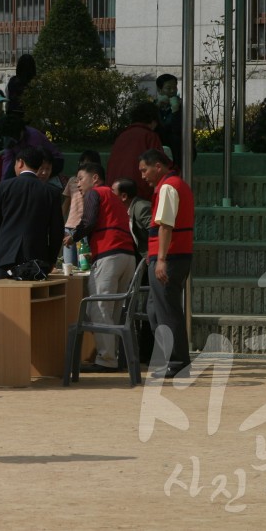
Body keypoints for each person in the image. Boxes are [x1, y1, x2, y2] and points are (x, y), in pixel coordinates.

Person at [64, 162, 137, 373]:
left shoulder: (95, 194)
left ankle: (106, 359)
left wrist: (72, 237)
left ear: (95, 178)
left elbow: (88, 221)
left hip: (110, 254)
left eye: (80, 178)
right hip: (127, 256)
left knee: (99, 307)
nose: (78, 184)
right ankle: (112, 356)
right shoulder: (114, 196)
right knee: (113, 310)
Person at [138, 149, 194, 379]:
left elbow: (165, 226)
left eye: (144, 170)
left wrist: (160, 259)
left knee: (167, 311)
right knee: (156, 309)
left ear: (158, 166)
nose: (143, 175)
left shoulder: (169, 187)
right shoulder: (172, 185)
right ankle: (172, 359)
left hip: (170, 257)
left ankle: (178, 362)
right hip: (170, 255)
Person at [0, 146, 64, 281]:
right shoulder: (51, 193)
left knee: (2, 299)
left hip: (5, 255)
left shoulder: (3, 187)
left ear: (20, 162)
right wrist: (51, 259)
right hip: (36, 259)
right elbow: (56, 230)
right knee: (30, 300)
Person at [107, 101, 164, 204]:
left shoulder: (122, 136)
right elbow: (159, 167)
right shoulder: (150, 136)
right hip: (139, 195)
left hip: (115, 192)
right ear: (153, 121)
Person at [62, 150, 101, 266]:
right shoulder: (72, 181)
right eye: (83, 163)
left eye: (89, 164)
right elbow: (66, 203)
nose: (85, 166)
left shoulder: (96, 185)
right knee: (68, 264)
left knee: (83, 265)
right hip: (69, 227)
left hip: (84, 228)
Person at [112, 177, 152, 261]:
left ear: (124, 196)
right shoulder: (125, 210)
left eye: (113, 191)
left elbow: (157, 232)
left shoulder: (141, 208)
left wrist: (153, 252)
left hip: (154, 257)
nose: (110, 195)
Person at [155, 73, 186, 169]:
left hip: (177, 153)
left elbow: (178, 129)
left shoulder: (182, 107)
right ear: (160, 90)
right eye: (168, 88)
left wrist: (175, 110)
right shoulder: (153, 107)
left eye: (175, 87)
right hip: (157, 151)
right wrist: (157, 107)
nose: (172, 91)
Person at [6, 53, 36, 118]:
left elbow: (7, 99)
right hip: (32, 117)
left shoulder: (12, 81)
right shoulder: (36, 83)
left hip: (13, 116)